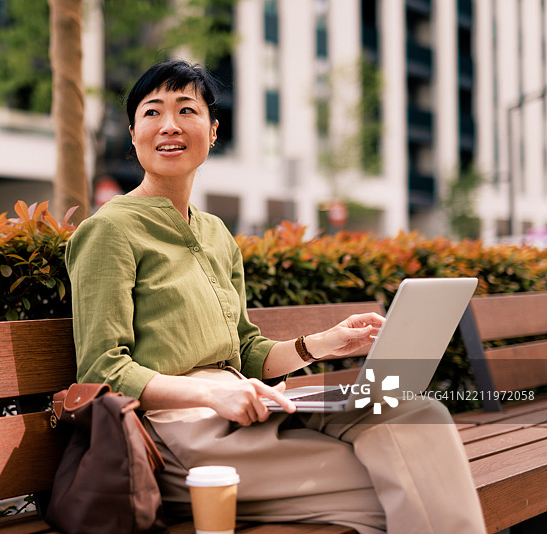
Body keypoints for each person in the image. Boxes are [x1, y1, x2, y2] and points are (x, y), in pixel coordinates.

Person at [65, 60, 485, 534]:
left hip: (246, 412)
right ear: (133, 133)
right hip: (177, 439)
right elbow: (103, 371)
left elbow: (246, 354)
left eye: (187, 110)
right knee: (404, 483)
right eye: (152, 112)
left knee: (413, 413)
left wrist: (323, 344)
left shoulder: (215, 232)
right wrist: (212, 394)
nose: (169, 125)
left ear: (213, 130)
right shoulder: (109, 230)